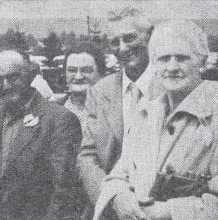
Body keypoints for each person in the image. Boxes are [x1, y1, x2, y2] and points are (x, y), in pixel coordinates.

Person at [93, 20, 218, 220]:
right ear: (154, 63)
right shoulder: (145, 113)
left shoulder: (214, 113)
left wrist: (168, 212)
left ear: (202, 61)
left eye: (182, 58)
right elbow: (119, 174)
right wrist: (119, 197)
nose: (172, 67)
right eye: (163, 59)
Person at [77, 8, 162, 219]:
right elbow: (87, 157)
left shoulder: (171, 86)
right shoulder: (99, 92)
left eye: (130, 38)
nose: (122, 49)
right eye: (115, 42)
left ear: (150, 35)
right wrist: (113, 198)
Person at [0, 50, 82, 220]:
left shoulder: (59, 120)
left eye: (14, 77)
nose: (6, 85)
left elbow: (63, 192)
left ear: (30, 75)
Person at [64, 41, 106, 128]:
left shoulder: (115, 111)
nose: (78, 77)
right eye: (72, 70)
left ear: (101, 73)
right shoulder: (52, 112)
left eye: (86, 70)